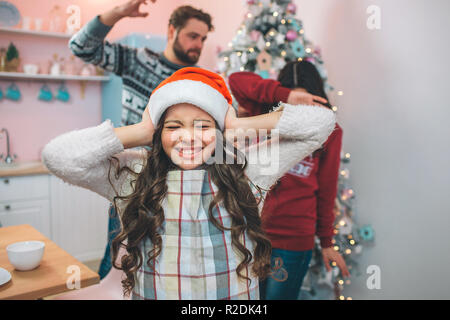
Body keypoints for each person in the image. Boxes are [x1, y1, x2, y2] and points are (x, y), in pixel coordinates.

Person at [42, 67, 336, 300]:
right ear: (157, 132)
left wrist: (235, 125)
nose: (188, 137)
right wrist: (143, 129)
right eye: (173, 126)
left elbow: (321, 123)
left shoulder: (248, 171)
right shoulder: (134, 173)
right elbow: (58, 157)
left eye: (203, 125)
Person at [69, 0, 214, 279]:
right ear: (172, 31)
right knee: (119, 262)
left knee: (165, 266)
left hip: (178, 186)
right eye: (192, 36)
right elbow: (80, 47)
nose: (199, 44)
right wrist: (118, 13)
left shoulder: (201, 83)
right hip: (132, 178)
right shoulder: (138, 61)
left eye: (203, 39)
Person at [229, 60, 349, 300]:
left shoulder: (329, 132)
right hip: (250, 236)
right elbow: (236, 80)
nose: (300, 114)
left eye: (307, 105)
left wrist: (327, 242)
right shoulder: (265, 116)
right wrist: (286, 96)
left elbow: (326, 191)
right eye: (295, 105)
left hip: (293, 241)